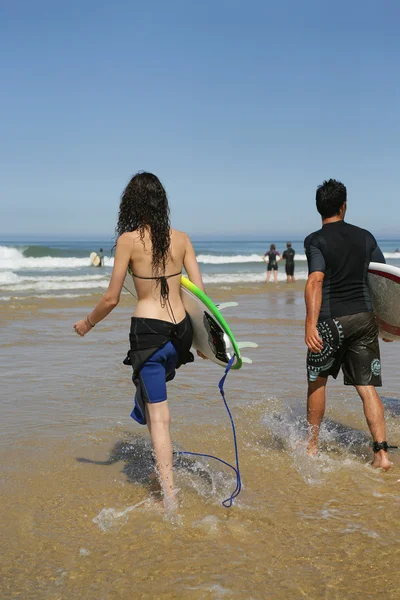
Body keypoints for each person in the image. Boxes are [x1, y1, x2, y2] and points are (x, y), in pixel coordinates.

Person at [73, 172, 206, 510]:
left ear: (130, 204)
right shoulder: (183, 239)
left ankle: (168, 497)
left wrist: (87, 324)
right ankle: (160, 470)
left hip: (148, 332)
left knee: (159, 415)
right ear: (162, 202)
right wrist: (205, 344)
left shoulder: (128, 241)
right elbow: (200, 296)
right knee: (152, 402)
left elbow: (111, 299)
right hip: (180, 336)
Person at [304, 179, 393, 470]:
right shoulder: (366, 237)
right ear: (344, 206)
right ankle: (381, 454)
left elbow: (315, 280)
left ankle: (312, 447)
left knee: (317, 381)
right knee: (367, 387)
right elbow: (381, 281)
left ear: (319, 208)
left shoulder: (315, 240)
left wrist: (310, 324)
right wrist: (388, 324)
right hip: (364, 320)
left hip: (331, 322)